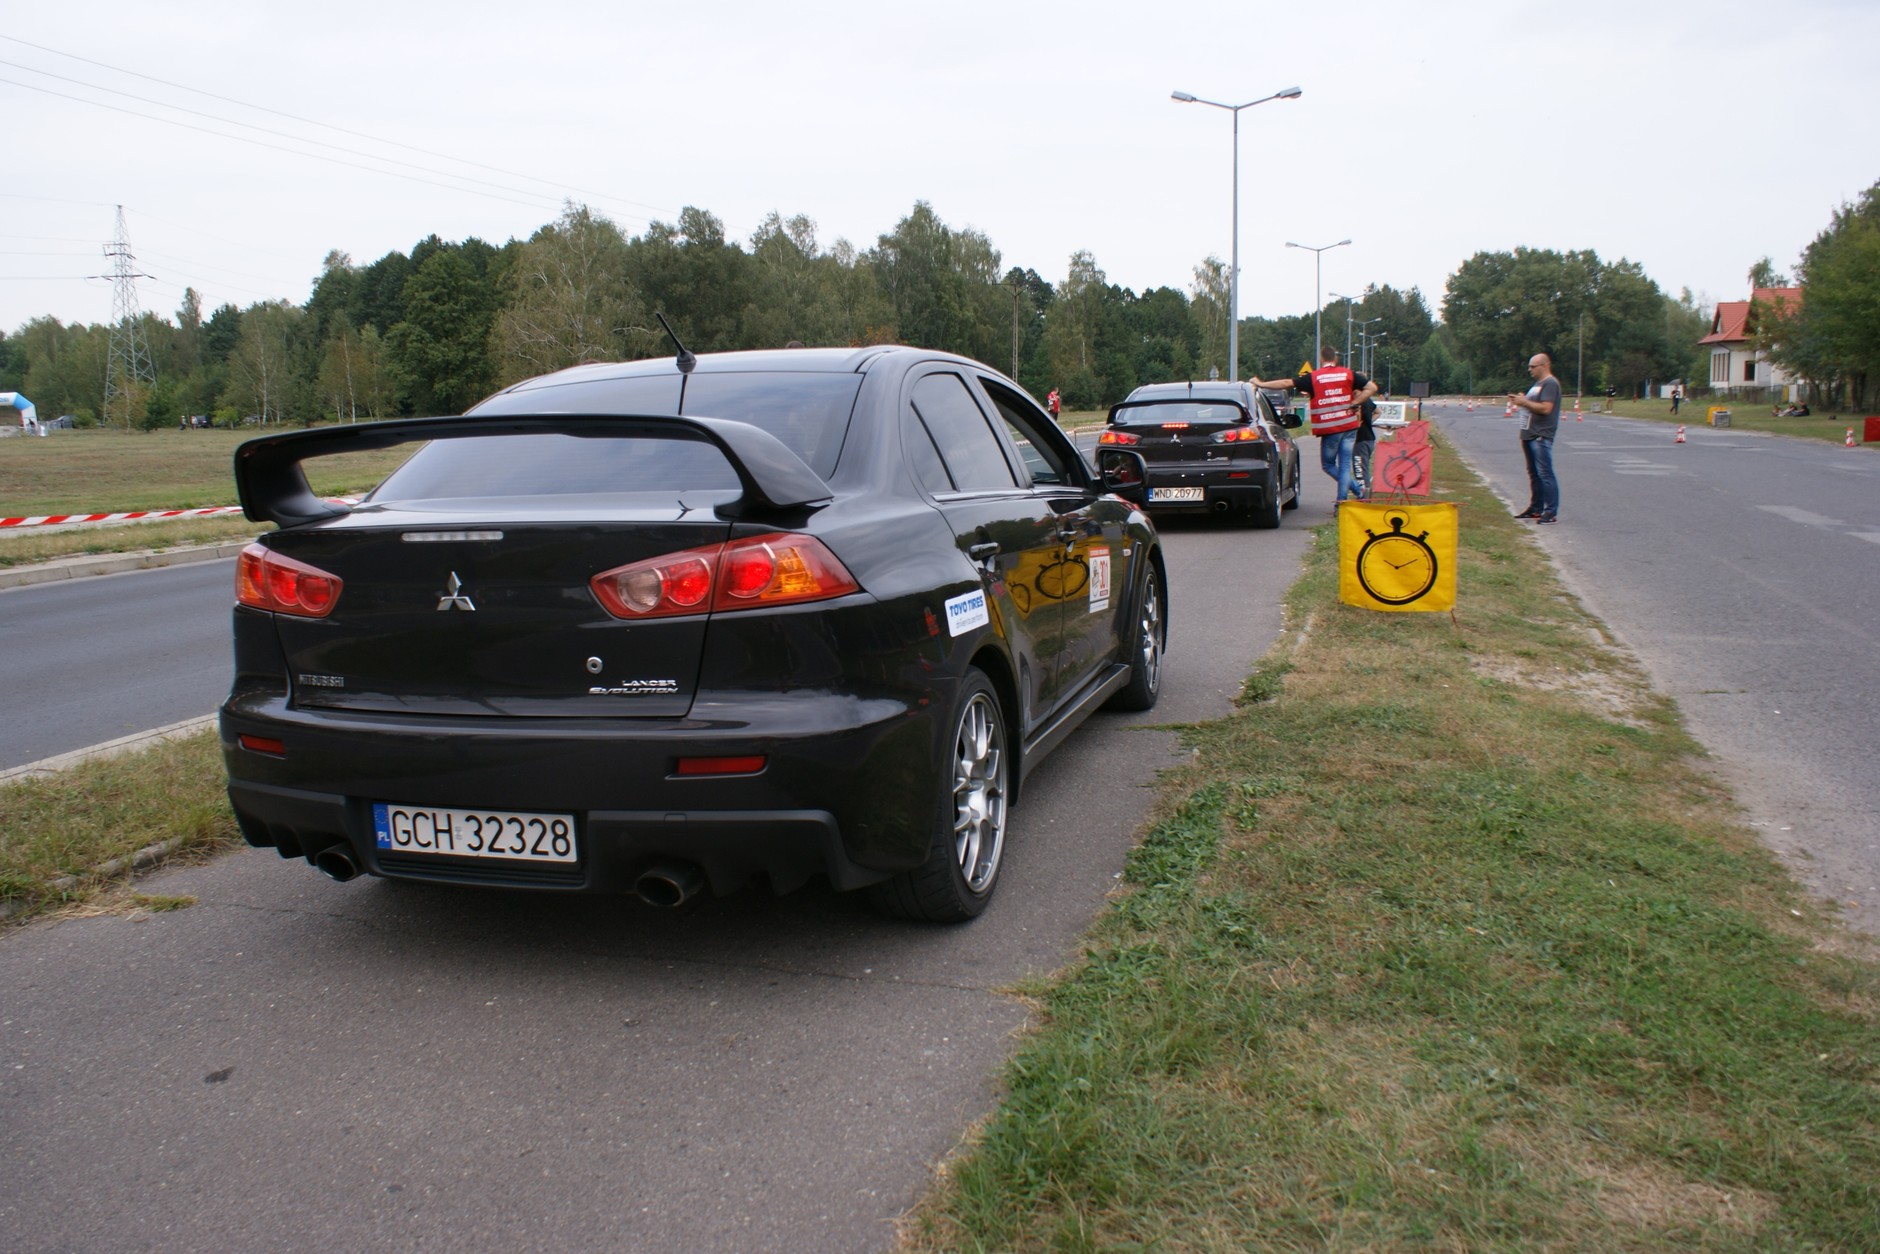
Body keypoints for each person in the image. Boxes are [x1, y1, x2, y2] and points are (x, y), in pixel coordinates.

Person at [1253, 345, 1377, 503]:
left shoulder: (1314, 377)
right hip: (1349, 427)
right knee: (1345, 466)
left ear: (1321, 359)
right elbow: (1371, 388)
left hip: (1331, 428)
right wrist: (1355, 402)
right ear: (1336, 358)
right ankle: (1345, 500)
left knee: (1328, 465)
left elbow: (1285, 383)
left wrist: (1261, 383)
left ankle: (1357, 492)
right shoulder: (1348, 375)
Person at [1508, 352, 1562, 524]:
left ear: (1544, 365)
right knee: (1534, 474)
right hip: (1529, 432)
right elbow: (1533, 405)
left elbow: (1546, 408)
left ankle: (1550, 511)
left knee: (1545, 473)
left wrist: (1524, 402)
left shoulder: (1551, 384)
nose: (1529, 369)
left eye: (1533, 366)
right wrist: (1522, 400)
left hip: (1541, 434)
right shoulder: (1538, 385)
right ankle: (1536, 508)